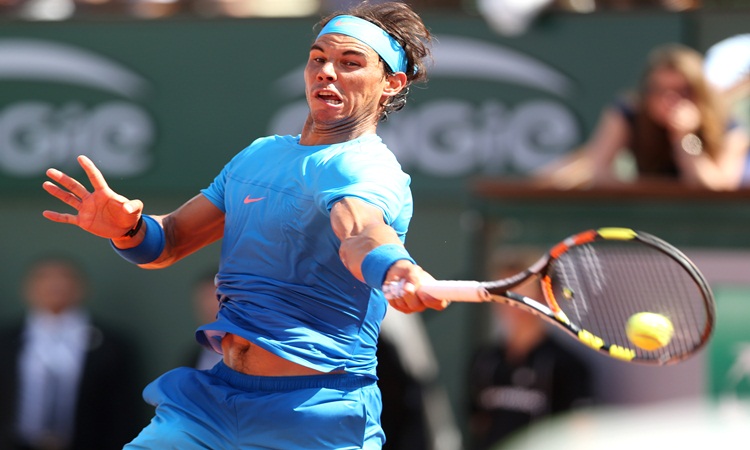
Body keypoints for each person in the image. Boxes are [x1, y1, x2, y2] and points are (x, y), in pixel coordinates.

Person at [41, 2, 448, 448]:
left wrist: (393, 265)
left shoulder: (368, 168)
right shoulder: (259, 155)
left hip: (313, 415)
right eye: (318, 58)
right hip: (216, 400)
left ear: (391, 83)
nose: (327, 71)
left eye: (350, 63)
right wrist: (129, 228)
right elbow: (170, 240)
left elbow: (360, 231)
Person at [534, 43, 750, 191]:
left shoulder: (727, 126)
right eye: (659, 90)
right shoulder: (628, 113)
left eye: (682, 91)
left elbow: (717, 188)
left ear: (698, 93)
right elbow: (600, 172)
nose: (670, 99)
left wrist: (684, 138)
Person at [0, 255, 145, 450]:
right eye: (43, 278)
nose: (55, 285)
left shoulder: (112, 345)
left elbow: (124, 411)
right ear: (27, 288)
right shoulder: (6, 340)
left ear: (82, 287)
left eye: (65, 277)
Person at [466, 249, 593, 450]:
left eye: (519, 290)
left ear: (544, 296)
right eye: (500, 291)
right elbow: (477, 424)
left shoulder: (568, 365)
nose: (509, 301)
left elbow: (578, 432)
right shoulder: (485, 360)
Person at [182, 270, 224, 370]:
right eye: (203, 298)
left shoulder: (258, 351)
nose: (208, 305)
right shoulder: (193, 356)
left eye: (215, 297)